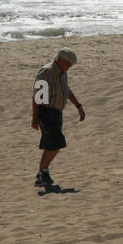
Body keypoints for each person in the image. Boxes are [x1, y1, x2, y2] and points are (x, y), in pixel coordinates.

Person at [31, 49, 84, 190]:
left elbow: (66, 90)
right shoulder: (46, 72)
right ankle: (43, 173)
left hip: (57, 113)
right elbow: (37, 97)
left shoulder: (62, 73)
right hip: (46, 112)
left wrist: (78, 105)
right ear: (59, 59)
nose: (70, 66)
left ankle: (42, 174)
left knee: (52, 144)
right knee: (56, 143)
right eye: (68, 63)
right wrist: (35, 118)